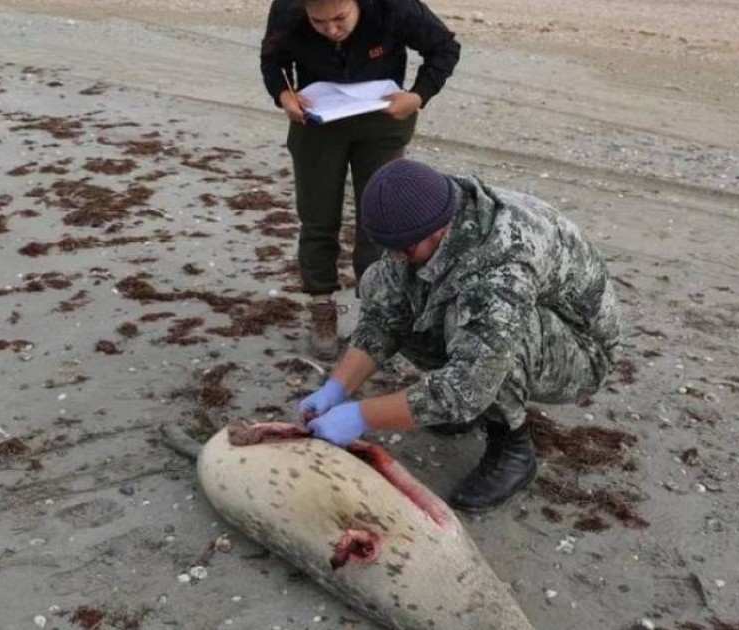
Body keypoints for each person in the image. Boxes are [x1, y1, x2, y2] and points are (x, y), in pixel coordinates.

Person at [296, 159, 623, 512]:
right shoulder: (425, 215)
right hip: (505, 311)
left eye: (403, 248)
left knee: (494, 332)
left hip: (581, 350)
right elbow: (384, 317)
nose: (396, 255)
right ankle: (456, 411)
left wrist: (360, 416)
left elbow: (470, 385)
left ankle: (512, 445)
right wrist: (336, 388)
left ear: (437, 230)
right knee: (383, 283)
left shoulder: (500, 263)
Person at [260, 0, 461, 360]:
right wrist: (284, 95)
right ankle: (322, 306)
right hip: (316, 122)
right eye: (319, 23)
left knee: (379, 222)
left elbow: (445, 47)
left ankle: (376, 313)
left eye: (340, 19)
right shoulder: (287, 8)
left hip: (383, 119)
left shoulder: (394, 7)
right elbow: (271, 61)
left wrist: (417, 95)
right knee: (318, 215)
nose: (332, 30)